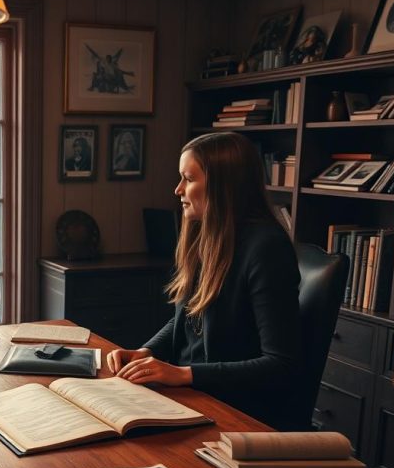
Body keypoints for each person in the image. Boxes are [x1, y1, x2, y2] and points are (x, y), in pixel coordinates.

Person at [106, 132, 302, 430]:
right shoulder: (206, 236)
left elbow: (281, 364)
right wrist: (146, 353)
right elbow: (189, 318)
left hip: (232, 409)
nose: (178, 189)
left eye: (188, 179)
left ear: (224, 186)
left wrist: (183, 374)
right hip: (190, 395)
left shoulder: (267, 248)